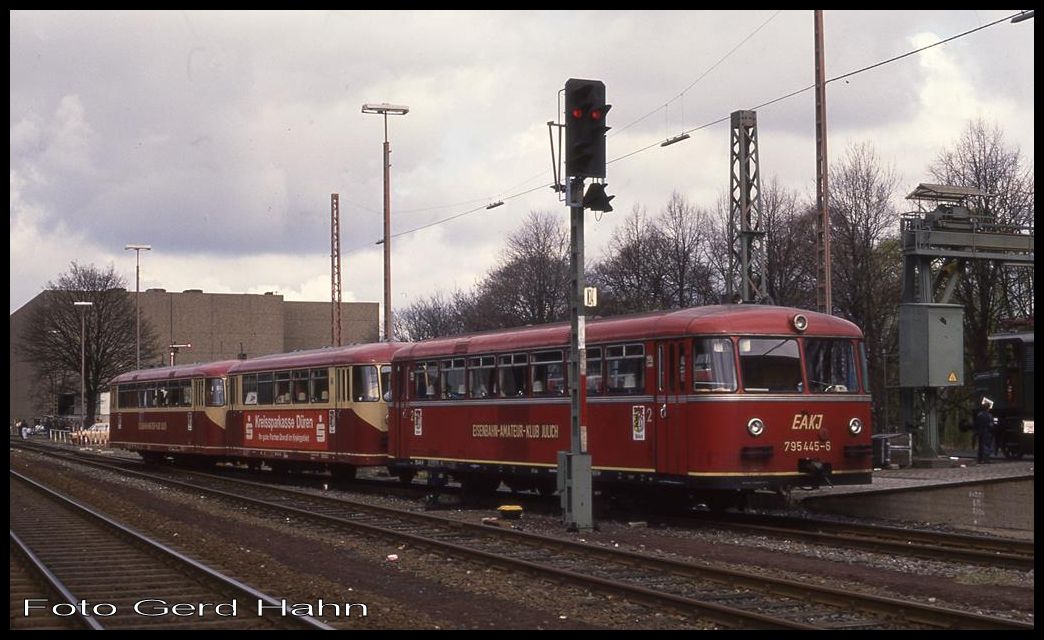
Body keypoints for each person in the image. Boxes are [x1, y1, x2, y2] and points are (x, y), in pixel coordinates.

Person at [974, 397, 995, 464]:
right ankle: (986, 459)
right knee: (987, 445)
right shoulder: (989, 415)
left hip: (980, 432)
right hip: (986, 432)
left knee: (980, 446)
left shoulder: (979, 415)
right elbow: (991, 425)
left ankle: (979, 459)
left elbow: (976, 424)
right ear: (988, 408)